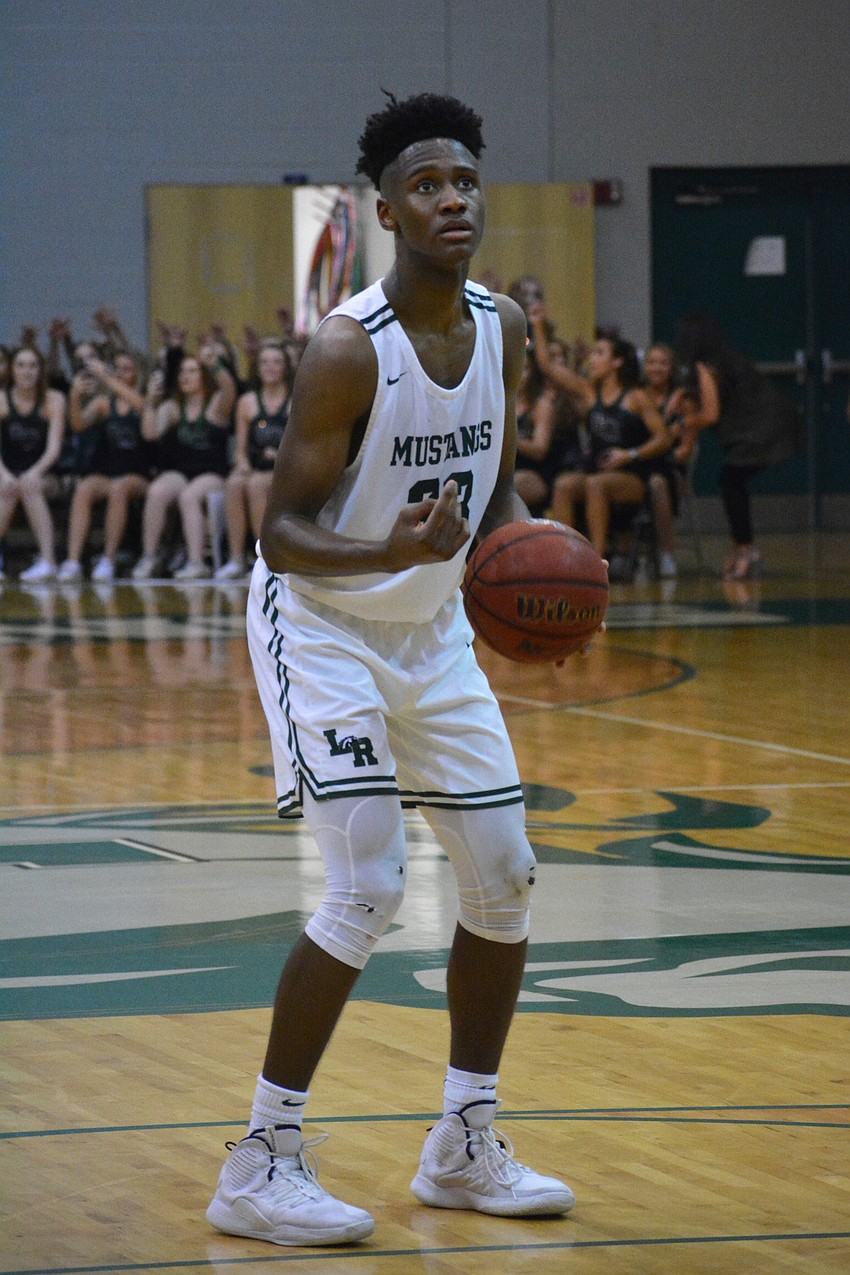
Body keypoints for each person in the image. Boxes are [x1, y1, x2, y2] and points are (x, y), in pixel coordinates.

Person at [206, 90, 583, 1250]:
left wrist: (541, 567)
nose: (452, 199)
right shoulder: (344, 349)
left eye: (465, 180)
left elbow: (496, 485)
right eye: (427, 185)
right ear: (384, 212)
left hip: (430, 630)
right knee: (368, 883)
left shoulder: (506, 330)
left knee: (505, 874)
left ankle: (464, 1142)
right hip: (322, 621)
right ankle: (260, 1160)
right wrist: (393, 551)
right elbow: (278, 532)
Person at [528, 305, 671, 567]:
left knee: (596, 485)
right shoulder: (589, 393)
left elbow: (663, 438)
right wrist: (537, 324)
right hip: (597, 471)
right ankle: (564, 558)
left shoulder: (635, 397)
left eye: (599, 354)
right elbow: (547, 366)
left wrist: (629, 454)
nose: (591, 359)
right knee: (564, 484)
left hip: (633, 475)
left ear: (617, 362)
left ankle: (595, 561)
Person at [674, 311, 801, 580]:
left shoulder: (705, 367)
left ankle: (745, 548)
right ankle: (741, 546)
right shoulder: (728, 358)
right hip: (775, 423)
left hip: (759, 430)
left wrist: (685, 423)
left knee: (731, 481)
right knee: (733, 481)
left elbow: (710, 414)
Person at [132, 343, 237, 580]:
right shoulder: (172, 406)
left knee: (189, 496)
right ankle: (149, 557)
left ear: (204, 376)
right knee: (157, 491)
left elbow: (230, 389)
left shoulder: (216, 403)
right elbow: (150, 434)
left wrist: (215, 364)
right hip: (180, 472)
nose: (185, 376)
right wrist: (149, 402)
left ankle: (196, 561)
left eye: (192, 371)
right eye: (182, 371)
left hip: (212, 473)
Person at [57, 352, 151, 582]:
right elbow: (78, 425)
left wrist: (107, 379)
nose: (119, 373)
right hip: (107, 472)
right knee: (85, 487)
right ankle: (72, 561)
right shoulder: (103, 402)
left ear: (138, 373)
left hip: (138, 474)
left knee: (120, 487)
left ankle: (108, 559)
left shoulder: (145, 399)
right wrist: (74, 396)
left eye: (126, 369)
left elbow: (141, 406)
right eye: (116, 368)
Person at [214, 339, 293, 580]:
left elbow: (302, 448)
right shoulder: (246, 402)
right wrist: (243, 464)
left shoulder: (296, 400)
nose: (271, 367)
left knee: (257, 485)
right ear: (257, 367)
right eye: (265, 362)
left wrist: (279, 456)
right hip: (257, 465)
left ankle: (266, 558)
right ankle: (237, 558)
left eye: (277, 362)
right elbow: (240, 449)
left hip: (287, 469)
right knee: (235, 483)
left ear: (286, 368)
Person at [0, 346, 66, 582]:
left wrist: (34, 473)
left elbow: (54, 449)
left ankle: (48, 562)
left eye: (33, 365)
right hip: (7, 473)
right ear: (12, 370)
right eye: (21, 365)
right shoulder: (1, 399)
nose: (27, 371)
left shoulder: (55, 399)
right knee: (8, 488)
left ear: (41, 370)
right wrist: (4, 475)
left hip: (46, 475)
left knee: (29, 485)